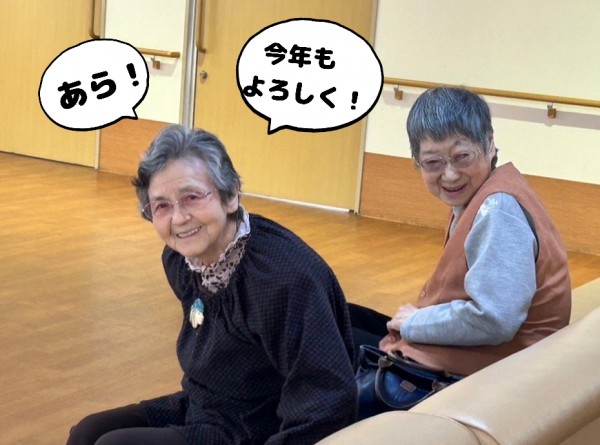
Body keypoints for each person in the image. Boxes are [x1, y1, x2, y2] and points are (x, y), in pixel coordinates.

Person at [67, 125, 357, 445]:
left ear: (230, 195)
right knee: (89, 431)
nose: (179, 218)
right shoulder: (180, 259)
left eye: (191, 197)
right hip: (204, 405)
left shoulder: (280, 278)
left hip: (256, 425)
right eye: (162, 206)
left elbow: (328, 398)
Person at [351, 86, 572, 380]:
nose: (450, 174)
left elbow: (495, 319)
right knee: (341, 314)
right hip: (486, 353)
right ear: (417, 162)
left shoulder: (498, 209)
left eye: (462, 156)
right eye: (433, 163)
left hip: (501, 369)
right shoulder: (483, 194)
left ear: (490, 145)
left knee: (326, 336)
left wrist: (415, 322)